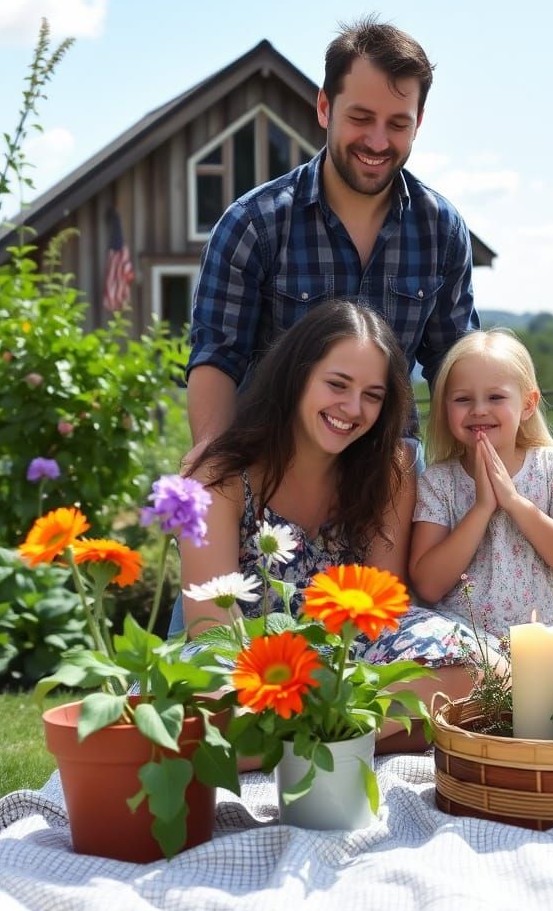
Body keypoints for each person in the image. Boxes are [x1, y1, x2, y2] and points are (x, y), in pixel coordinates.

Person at [180, 300, 475, 752]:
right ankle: (355, 738)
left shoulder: (391, 469)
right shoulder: (220, 474)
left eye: (372, 395)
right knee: (196, 706)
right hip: (248, 664)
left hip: (349, 663)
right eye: (337, 384)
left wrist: (330, 683)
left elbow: (381, 608)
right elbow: (210, 624)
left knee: (480, 663)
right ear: (297, 376)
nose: (352, 408)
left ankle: (294, 746)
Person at [186, 15, 478, 464]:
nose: (377, 141)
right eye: (360, 118)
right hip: (275, 460)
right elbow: (217, 359)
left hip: (390, 467)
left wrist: (513, 472)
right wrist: (212, 472)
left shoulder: (440, 229)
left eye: (398, 124)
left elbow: (455, 367)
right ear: (325, 107)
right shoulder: (253, 224)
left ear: (419, 122)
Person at [409, 329, 553, 638]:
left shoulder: (552, 467)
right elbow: (428, 586)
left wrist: (515, 503)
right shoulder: (439, 481)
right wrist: (482, 509)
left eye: (496, 397)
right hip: (467, 645)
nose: (479, 409)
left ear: (527, 404)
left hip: (547, 638)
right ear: (445, 407)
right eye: (462, 399)